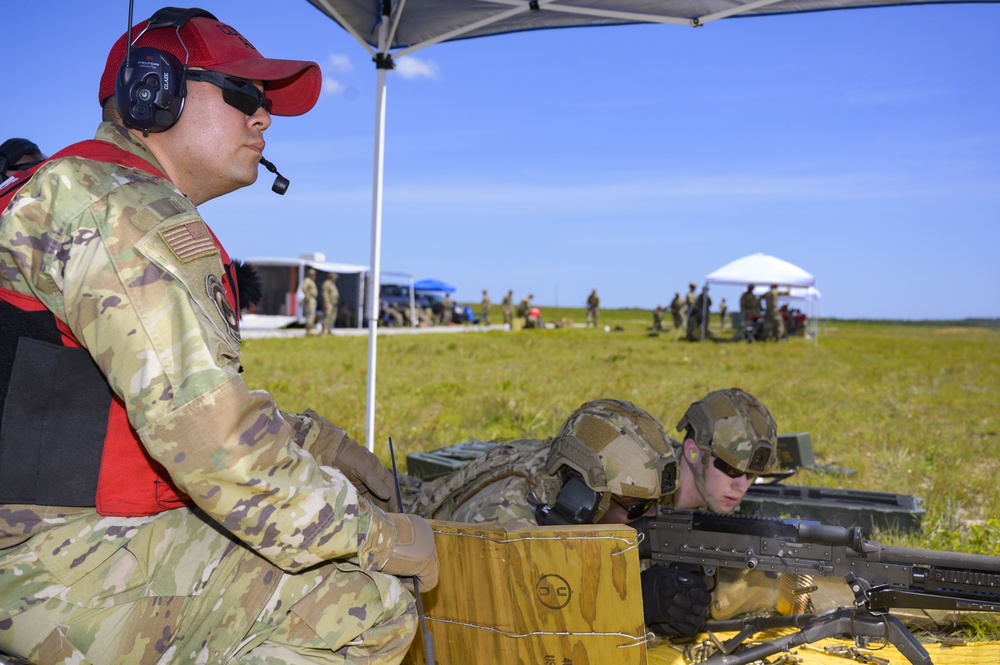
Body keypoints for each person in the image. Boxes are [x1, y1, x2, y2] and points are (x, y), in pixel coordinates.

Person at [0, 8, 437, 664]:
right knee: (361, 605)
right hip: (50, 565)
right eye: (244, 96)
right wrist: (377, 535)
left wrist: (319, 442)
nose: (263, 118)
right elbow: (215, 447)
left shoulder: (83, 192)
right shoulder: (120, 209)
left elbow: (162, 393)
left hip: (46, 537)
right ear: (155, 90)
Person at [406, 398, 715, 641]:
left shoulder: (562, 474)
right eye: (638, 506)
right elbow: (519, 628)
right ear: (583, 497)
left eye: (658, 503)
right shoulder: (503, 519)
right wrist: (635, 604)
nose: (650, 515)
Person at [302, 267, 319, 334]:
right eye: (313, 274)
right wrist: (307, 296)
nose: (314, 276)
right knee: (310, 314)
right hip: (310, 299)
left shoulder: (312, 281)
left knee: (312, 314)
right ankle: (308, 330)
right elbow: (303, 288)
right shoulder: (307, 280)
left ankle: (310, 329)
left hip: (313, 299)